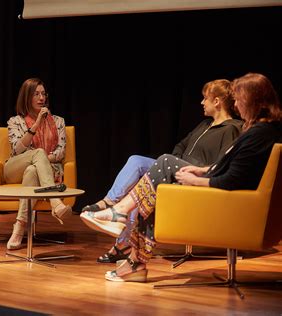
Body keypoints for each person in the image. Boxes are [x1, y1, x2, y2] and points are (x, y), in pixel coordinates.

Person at [82, 72, 282, 282]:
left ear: (253, 101)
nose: (237, 105)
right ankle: (133, 258)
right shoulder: (259, 131)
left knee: (165, 164)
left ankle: (122, 221)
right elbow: (227, 166)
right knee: (156, 180)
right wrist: (201, 171)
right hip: (217, 188)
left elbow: (232, 179)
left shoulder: (256, 133)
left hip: (226, 200)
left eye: (240, 100)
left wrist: (197, 179)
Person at [4, 78, 72, 250]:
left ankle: (19, 228)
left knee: (32, 171)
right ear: (27, 97)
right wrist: (36, 125)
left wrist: (39, 160)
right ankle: (55, 202)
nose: (41, 98)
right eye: (36, 94)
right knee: (38, 154)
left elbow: (60, 152)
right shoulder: (14, 121)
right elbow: (17, 150)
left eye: (43, 94)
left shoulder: (58, 121)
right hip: (14, 168)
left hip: (42, 170)